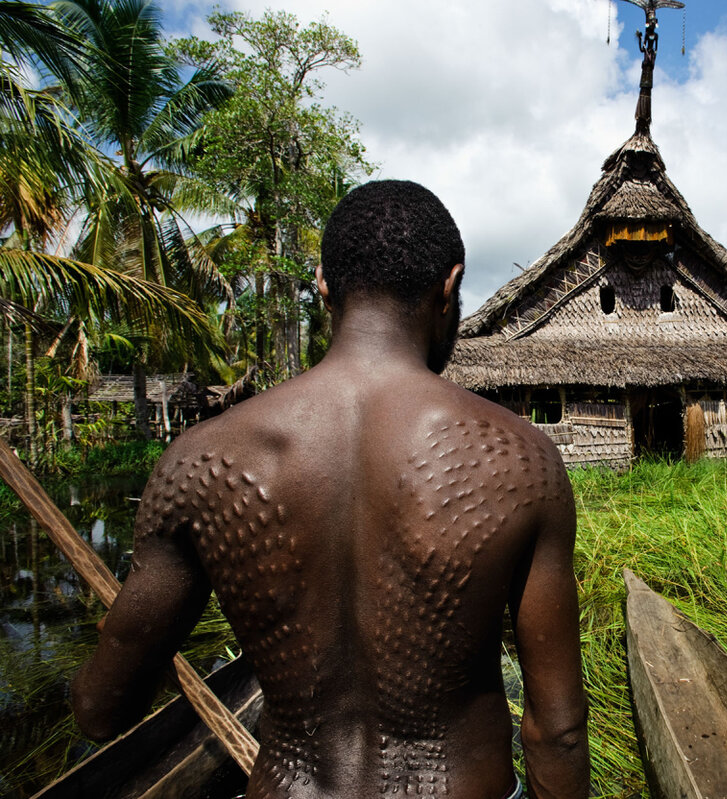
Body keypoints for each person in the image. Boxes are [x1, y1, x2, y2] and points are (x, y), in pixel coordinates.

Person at [72, 180, 590, 799]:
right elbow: (557, 730)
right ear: (449, 288)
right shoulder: (519, 459)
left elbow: (102, 710)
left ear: (321, 284)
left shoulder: (201, 461)